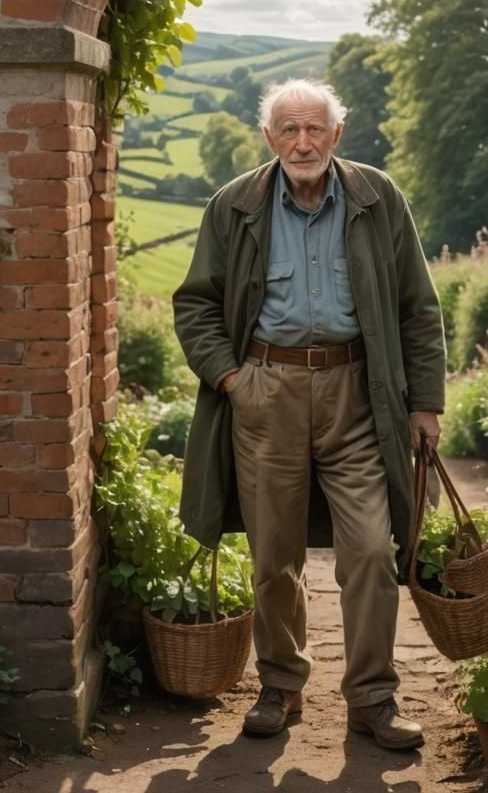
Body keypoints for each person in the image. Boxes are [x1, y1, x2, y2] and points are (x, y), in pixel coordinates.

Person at [172, 78, 446, 751]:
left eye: (314, 128)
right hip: (267, 393)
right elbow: (195, 304)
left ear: (336, 135)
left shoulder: (378, 198)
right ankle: (281, 684)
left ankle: (373, 698)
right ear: (270, 138)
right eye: (289, 130)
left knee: (372, 550)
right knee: (274, 556)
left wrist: (424, 404)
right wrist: (234, 380)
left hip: (359, 393)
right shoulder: (234, 205)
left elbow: (418, 308)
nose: (302, 142)